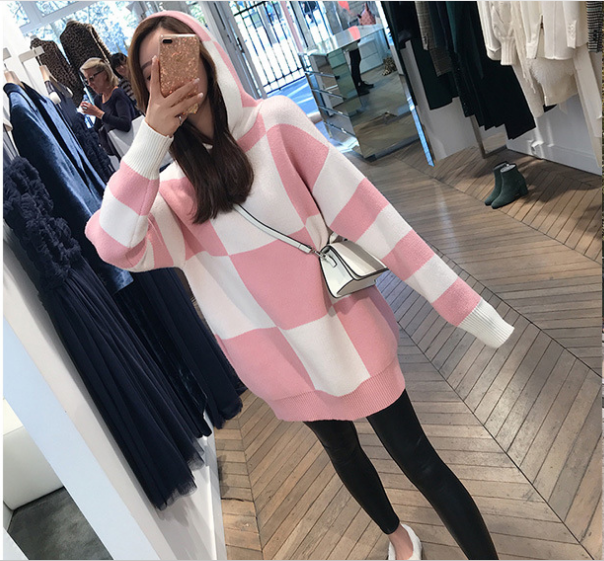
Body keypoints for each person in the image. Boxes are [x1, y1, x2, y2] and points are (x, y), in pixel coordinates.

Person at [85, 11, 514, 560]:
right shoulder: (172, 191)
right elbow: (112, 245)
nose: (166, 77)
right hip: (277, 360)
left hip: (349, 333)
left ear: (204, 52)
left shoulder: (277, 123)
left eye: (173, 53)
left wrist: (459, 304)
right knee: (344, 455)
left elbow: (371, 216)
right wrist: (150, 141)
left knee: (420, 460)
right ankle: (399, 540)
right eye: (149, 75)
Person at [79, 57, 137, 158]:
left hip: (134, 149)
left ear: (104, 75)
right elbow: (97, 128)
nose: (90, 84)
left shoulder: (117, 94)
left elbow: (125, 124)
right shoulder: (98, 99)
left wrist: (98, 113)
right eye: (86, 81)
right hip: (121, 152)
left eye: (91, 78)